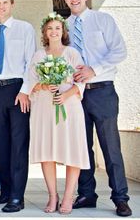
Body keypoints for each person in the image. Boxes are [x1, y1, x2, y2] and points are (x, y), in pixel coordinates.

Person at [63, 0, 131, 217]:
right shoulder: (64, 26)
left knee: (110, 147)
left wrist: (95, 69)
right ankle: (87, 194)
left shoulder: (103, 20)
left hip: (102, 90)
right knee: (82, 148)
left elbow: (120, 51)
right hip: (76, 95)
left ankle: (120, 198)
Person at [28, 12, 90, 214]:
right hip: (45, 108)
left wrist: (66, 95)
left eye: (57, 28)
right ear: (44, 33)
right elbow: (31, 82)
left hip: (69, 107)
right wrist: (44, 85)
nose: (54, 32)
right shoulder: (38, 55)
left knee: (72, 151)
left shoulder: (72, 53)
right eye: (50, 28)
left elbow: (81, 81)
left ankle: (68, 196)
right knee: (48, 152)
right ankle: (52, 195)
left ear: (63, 31)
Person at [0, 0, 36, 213]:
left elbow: (31, 63)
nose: (2, 6)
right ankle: (4, 191)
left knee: (18, 144)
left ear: (12, 4)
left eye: (6, 2)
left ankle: (17, 196)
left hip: (17, 91)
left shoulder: (25, 28)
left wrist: (25, 91)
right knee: (1, 144)